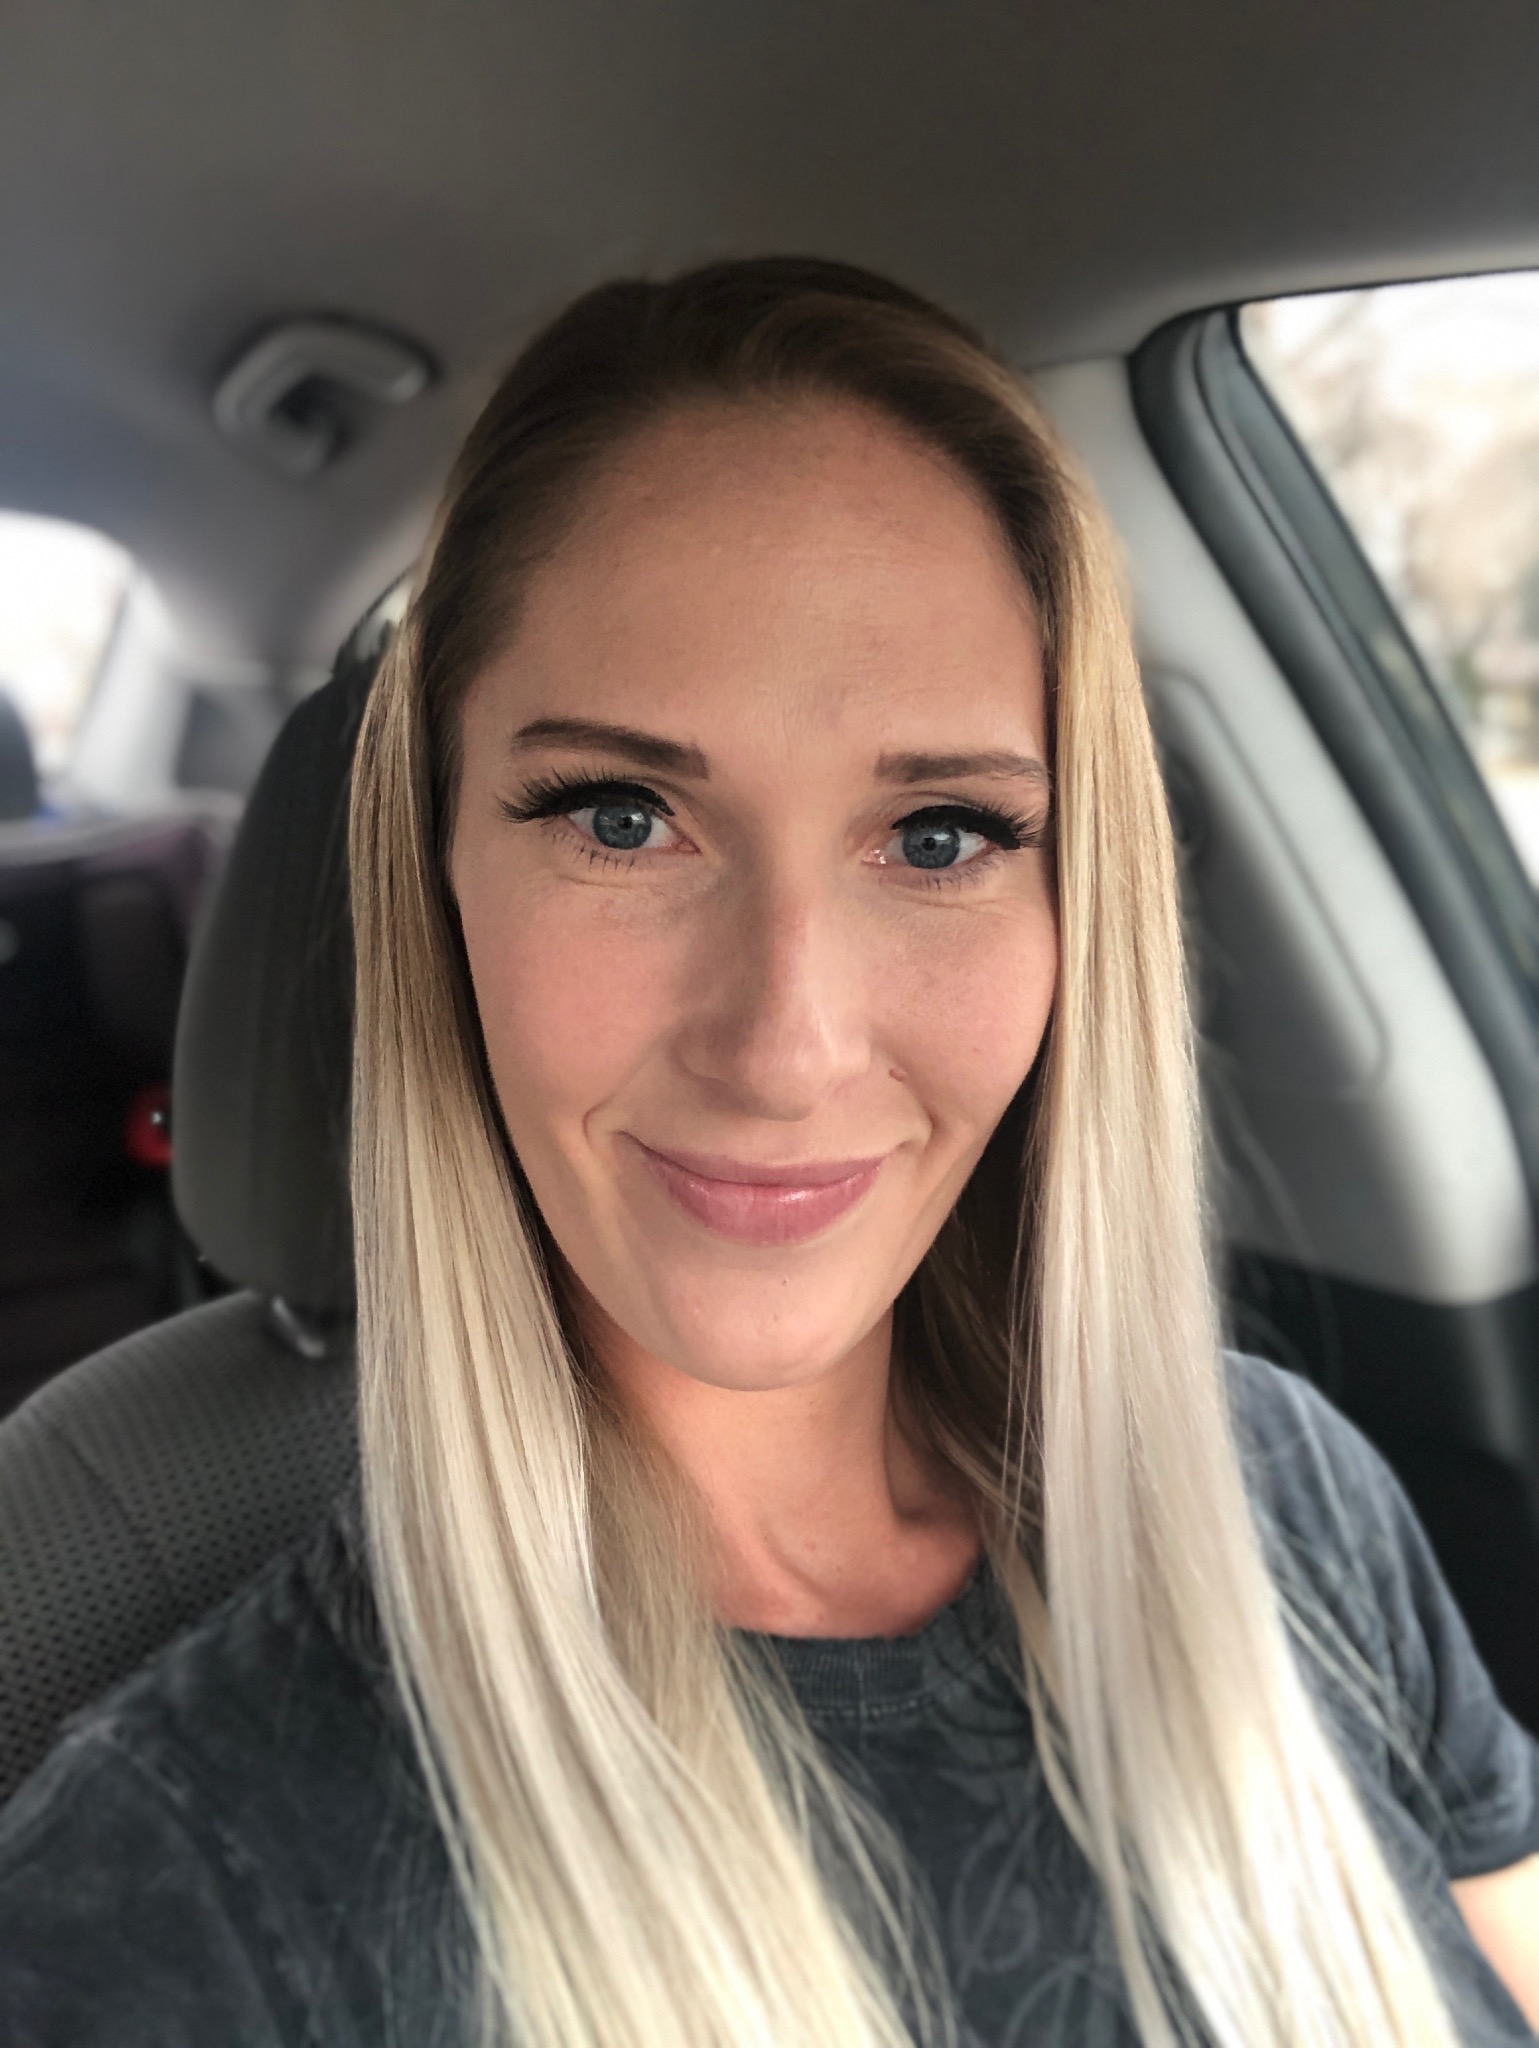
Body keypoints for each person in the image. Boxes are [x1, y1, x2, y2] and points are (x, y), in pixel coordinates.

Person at [1, 257, 1536, 2048]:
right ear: (434, 881)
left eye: (941, 834)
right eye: (622, 817)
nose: (786, 1048)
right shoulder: (170, 1891)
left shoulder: (1291, 1504)